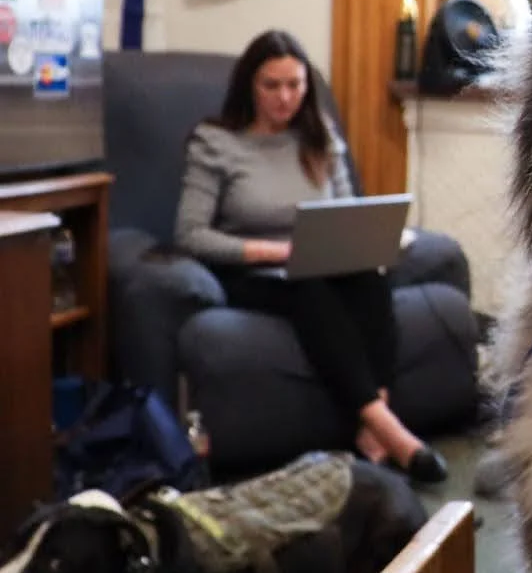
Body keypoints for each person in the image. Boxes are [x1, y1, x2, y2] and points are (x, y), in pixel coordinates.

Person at [173, 29, 447, 483]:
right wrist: (278, 250)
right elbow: (190, 235)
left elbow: (346, 211)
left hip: (319, 259)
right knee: (309, 286)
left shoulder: (320, 138)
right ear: (249, 85)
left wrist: (369, 242)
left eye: (295, 85)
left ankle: (370, 424)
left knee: (369, 280)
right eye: (271, 86)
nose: (285, 97)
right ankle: (391, 431)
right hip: (253, 267)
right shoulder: (216, 142)